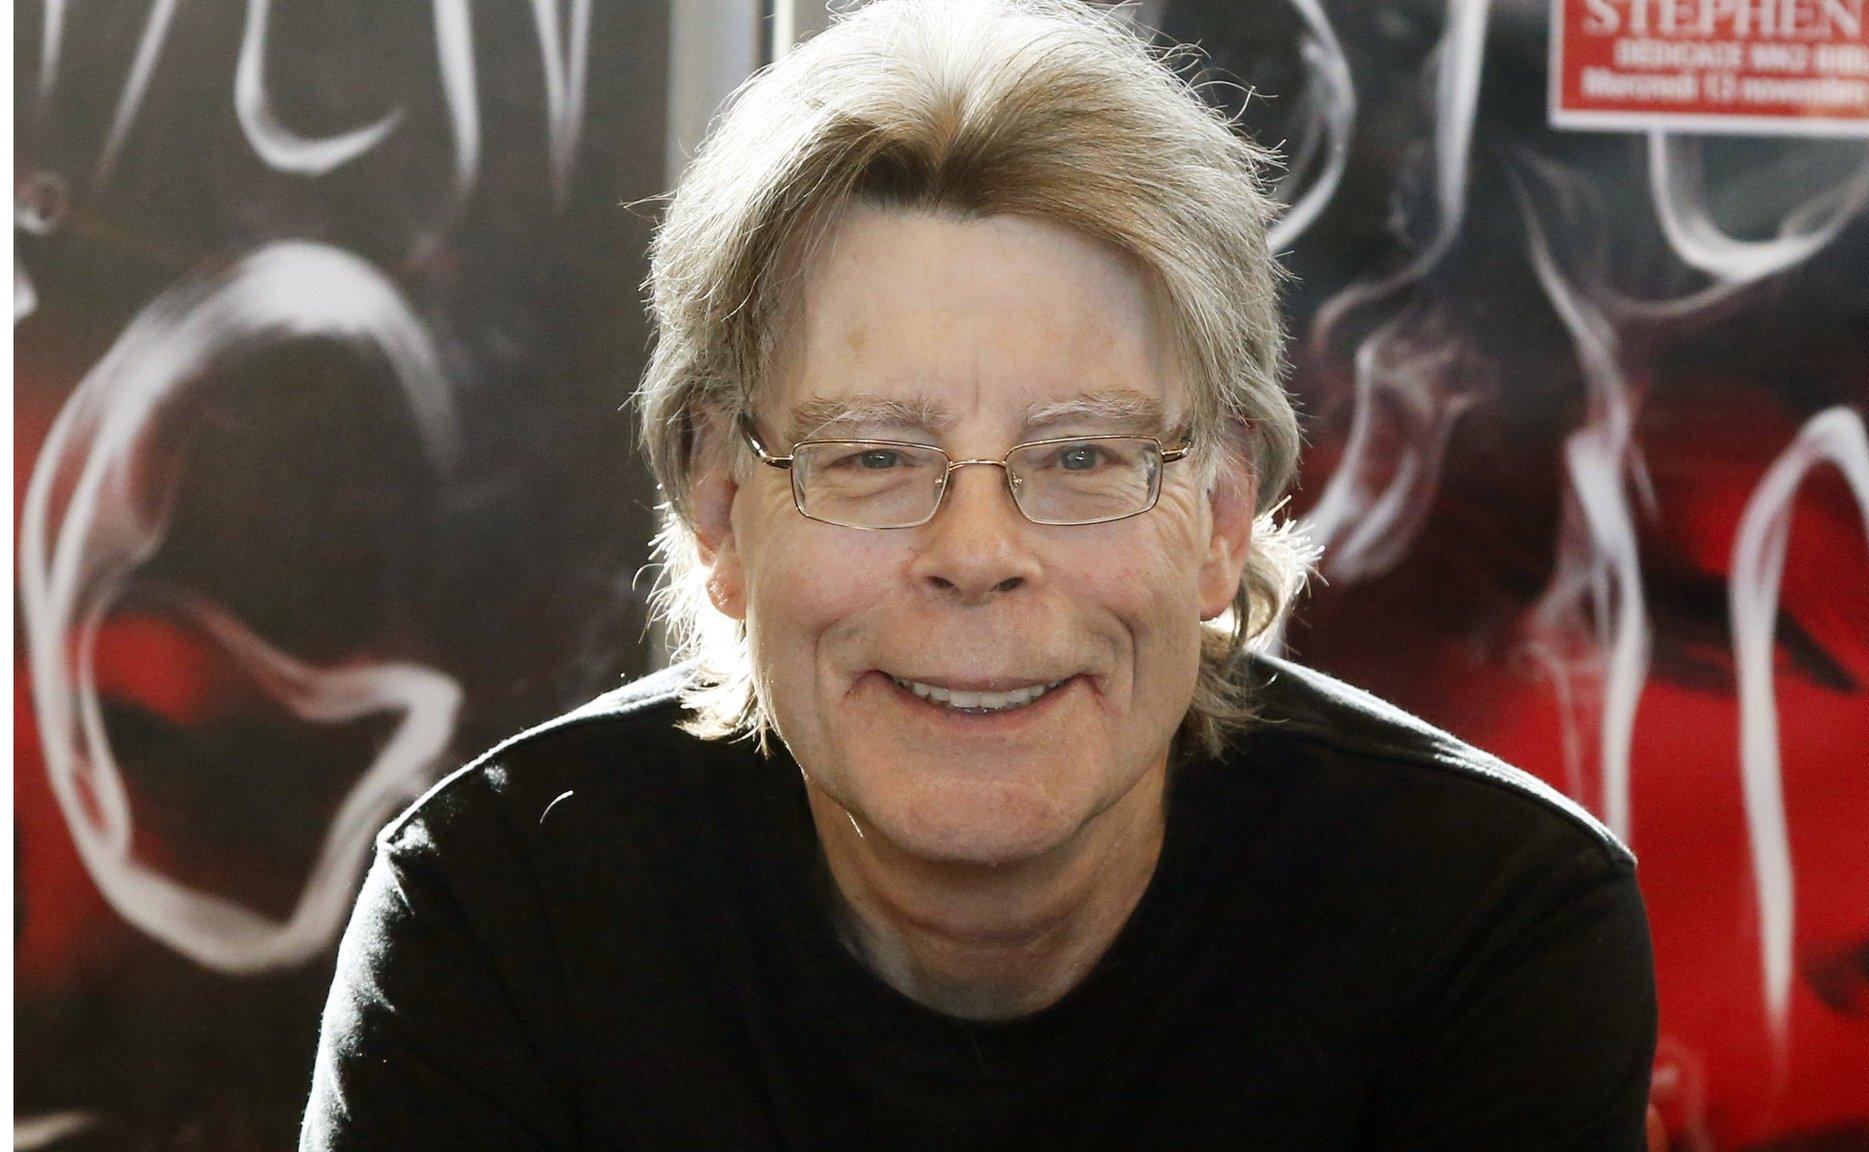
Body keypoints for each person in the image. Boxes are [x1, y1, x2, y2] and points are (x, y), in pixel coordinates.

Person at [301, 1, 1657, 1148]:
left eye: (1081, 457)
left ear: (1224, 511)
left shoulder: (1481, 927)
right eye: (872, 456)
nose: (976, 555)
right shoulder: (506, 912)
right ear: (717, 510)